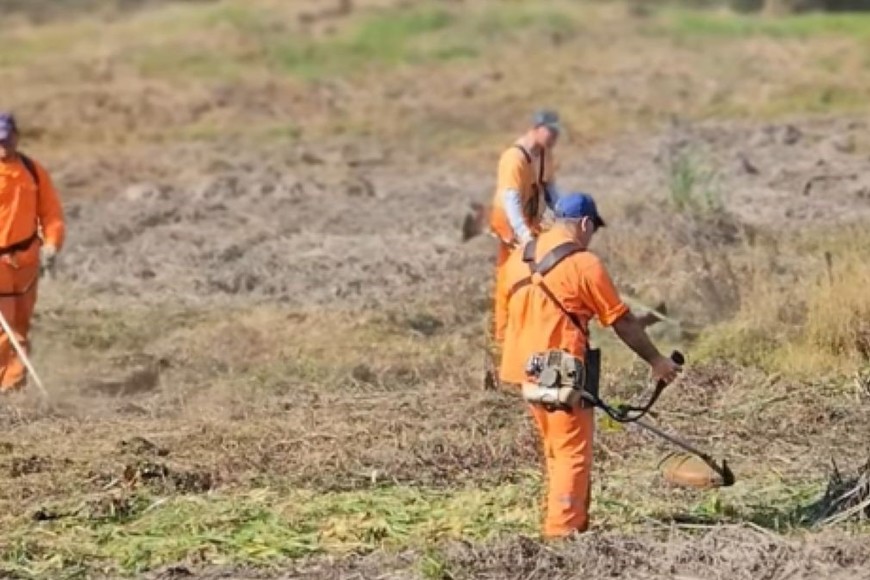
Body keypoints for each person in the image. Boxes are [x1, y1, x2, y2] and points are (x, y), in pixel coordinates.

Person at [498, 192, 680, 538]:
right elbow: (621, 322)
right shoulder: (584, 264)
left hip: (524, 368)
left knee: (555, 449)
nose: (591, 235)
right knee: (572, 452)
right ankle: (563, 534)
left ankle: (567, 520)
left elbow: (513, 315)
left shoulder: (518, 259)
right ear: (584, 223)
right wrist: (657, 361)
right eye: (593, 228)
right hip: (558, 370)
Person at [0, 112, 65, 393]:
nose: (3, 146)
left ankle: (15, 385)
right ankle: (5, 387)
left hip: (27, 261)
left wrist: (52, 244)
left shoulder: (33, 171)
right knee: (4, 328)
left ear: (16, 137)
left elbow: (51, 214)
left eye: (6, 139)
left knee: (21, 325)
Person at [489, 109, 562, 345]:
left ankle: (533, 327)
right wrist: (524, 235)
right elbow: (510, 199)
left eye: (557, 132)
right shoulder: (514, 158)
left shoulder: (544, 154)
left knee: (539, 272)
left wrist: (562, 217)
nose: (555, 137)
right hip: (509, 222)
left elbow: (550, 188)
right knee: (511, 277)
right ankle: (503, 338)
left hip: (530, 219)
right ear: (537, 128)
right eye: (551, 131)